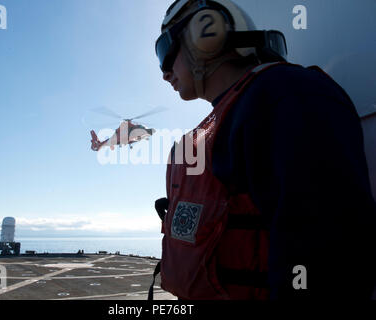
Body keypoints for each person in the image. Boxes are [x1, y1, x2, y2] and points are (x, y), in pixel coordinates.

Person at [151, 0, 376, 300]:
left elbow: (328, 256)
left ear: (205, 32)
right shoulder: (232, 117)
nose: (165, 72)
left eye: (165, 50)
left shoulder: (288, 95)